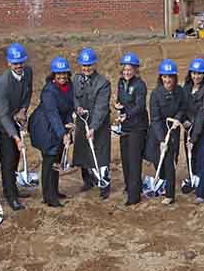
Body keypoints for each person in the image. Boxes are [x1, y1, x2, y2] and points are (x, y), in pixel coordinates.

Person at [29, 57, 75, 208]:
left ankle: (54, 191)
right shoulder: (49, 91)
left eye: (64, 74)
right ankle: (48, 197)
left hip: (59, 125)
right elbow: (52, 114)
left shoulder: (69, 86)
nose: (62, 77)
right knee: (49, 159)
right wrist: (63, 134)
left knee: (57, 159)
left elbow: (69, 107)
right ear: (53, 75)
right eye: (58, 74)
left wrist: (68, 125)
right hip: (45, 127)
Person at [0, 43, 33, 211]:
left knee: (16, 156)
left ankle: (14, 189)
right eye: (15, 63)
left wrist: (23, 110)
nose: (18, 66)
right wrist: (16, 137)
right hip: (4, 122)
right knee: (8, 158)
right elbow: (3, 114)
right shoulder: (3, 82)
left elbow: (28, 92)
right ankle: (10, 196)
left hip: (16, 116)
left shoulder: (28, 72)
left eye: (21, 62)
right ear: (9, 63)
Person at [72, 47, 112, 199]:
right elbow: (74, 97)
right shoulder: (76, 79)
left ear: (94, 65)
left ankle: (104, 186)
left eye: (89, 65)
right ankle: (88, 180)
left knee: (100, 155)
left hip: (99, 125)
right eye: (84, 65)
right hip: (83, 123)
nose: (86, 68)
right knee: (83, 152)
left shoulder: (103, 83)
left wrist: (94, 127)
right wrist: (77, 108)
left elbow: (101, 108)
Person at [145, 59, 186, 205]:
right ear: (161, 77)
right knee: (158, 161)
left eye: (170, 77)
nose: (167, 80)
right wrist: (162, 140)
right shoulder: (155, 94)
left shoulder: (179, 91)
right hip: (158, 132)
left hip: (173, 130)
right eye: (164, 76)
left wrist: (177, 119)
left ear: (175, 77)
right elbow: (155, 119)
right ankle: (161, 186)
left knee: (169, 162)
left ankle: (170, 194)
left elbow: (182, 108)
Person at [115, 52, 148, 206]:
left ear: (136, 70)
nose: (127, 72)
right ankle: (130, 187)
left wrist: (126, 114)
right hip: (125, 126)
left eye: (130, 69)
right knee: (125, 159)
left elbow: (140, 106)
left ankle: (134, 196)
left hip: (137, 127)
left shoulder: (140, 85)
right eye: (125, 69)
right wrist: (117, 107)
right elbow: (119, 100)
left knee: (134, 160)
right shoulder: (121, 82)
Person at [183, 58, 204, 204]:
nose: (197, 76)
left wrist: (193, 139)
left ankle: (201, 192)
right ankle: (193, 181)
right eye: (194, 73)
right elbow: (181, 107)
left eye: (200, 74)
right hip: (188, 128)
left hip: (201, 130)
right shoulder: (186, 88)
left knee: (200, 158)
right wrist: (184, 121)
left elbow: (201, 115)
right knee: (190, 157)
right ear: (190, 73)